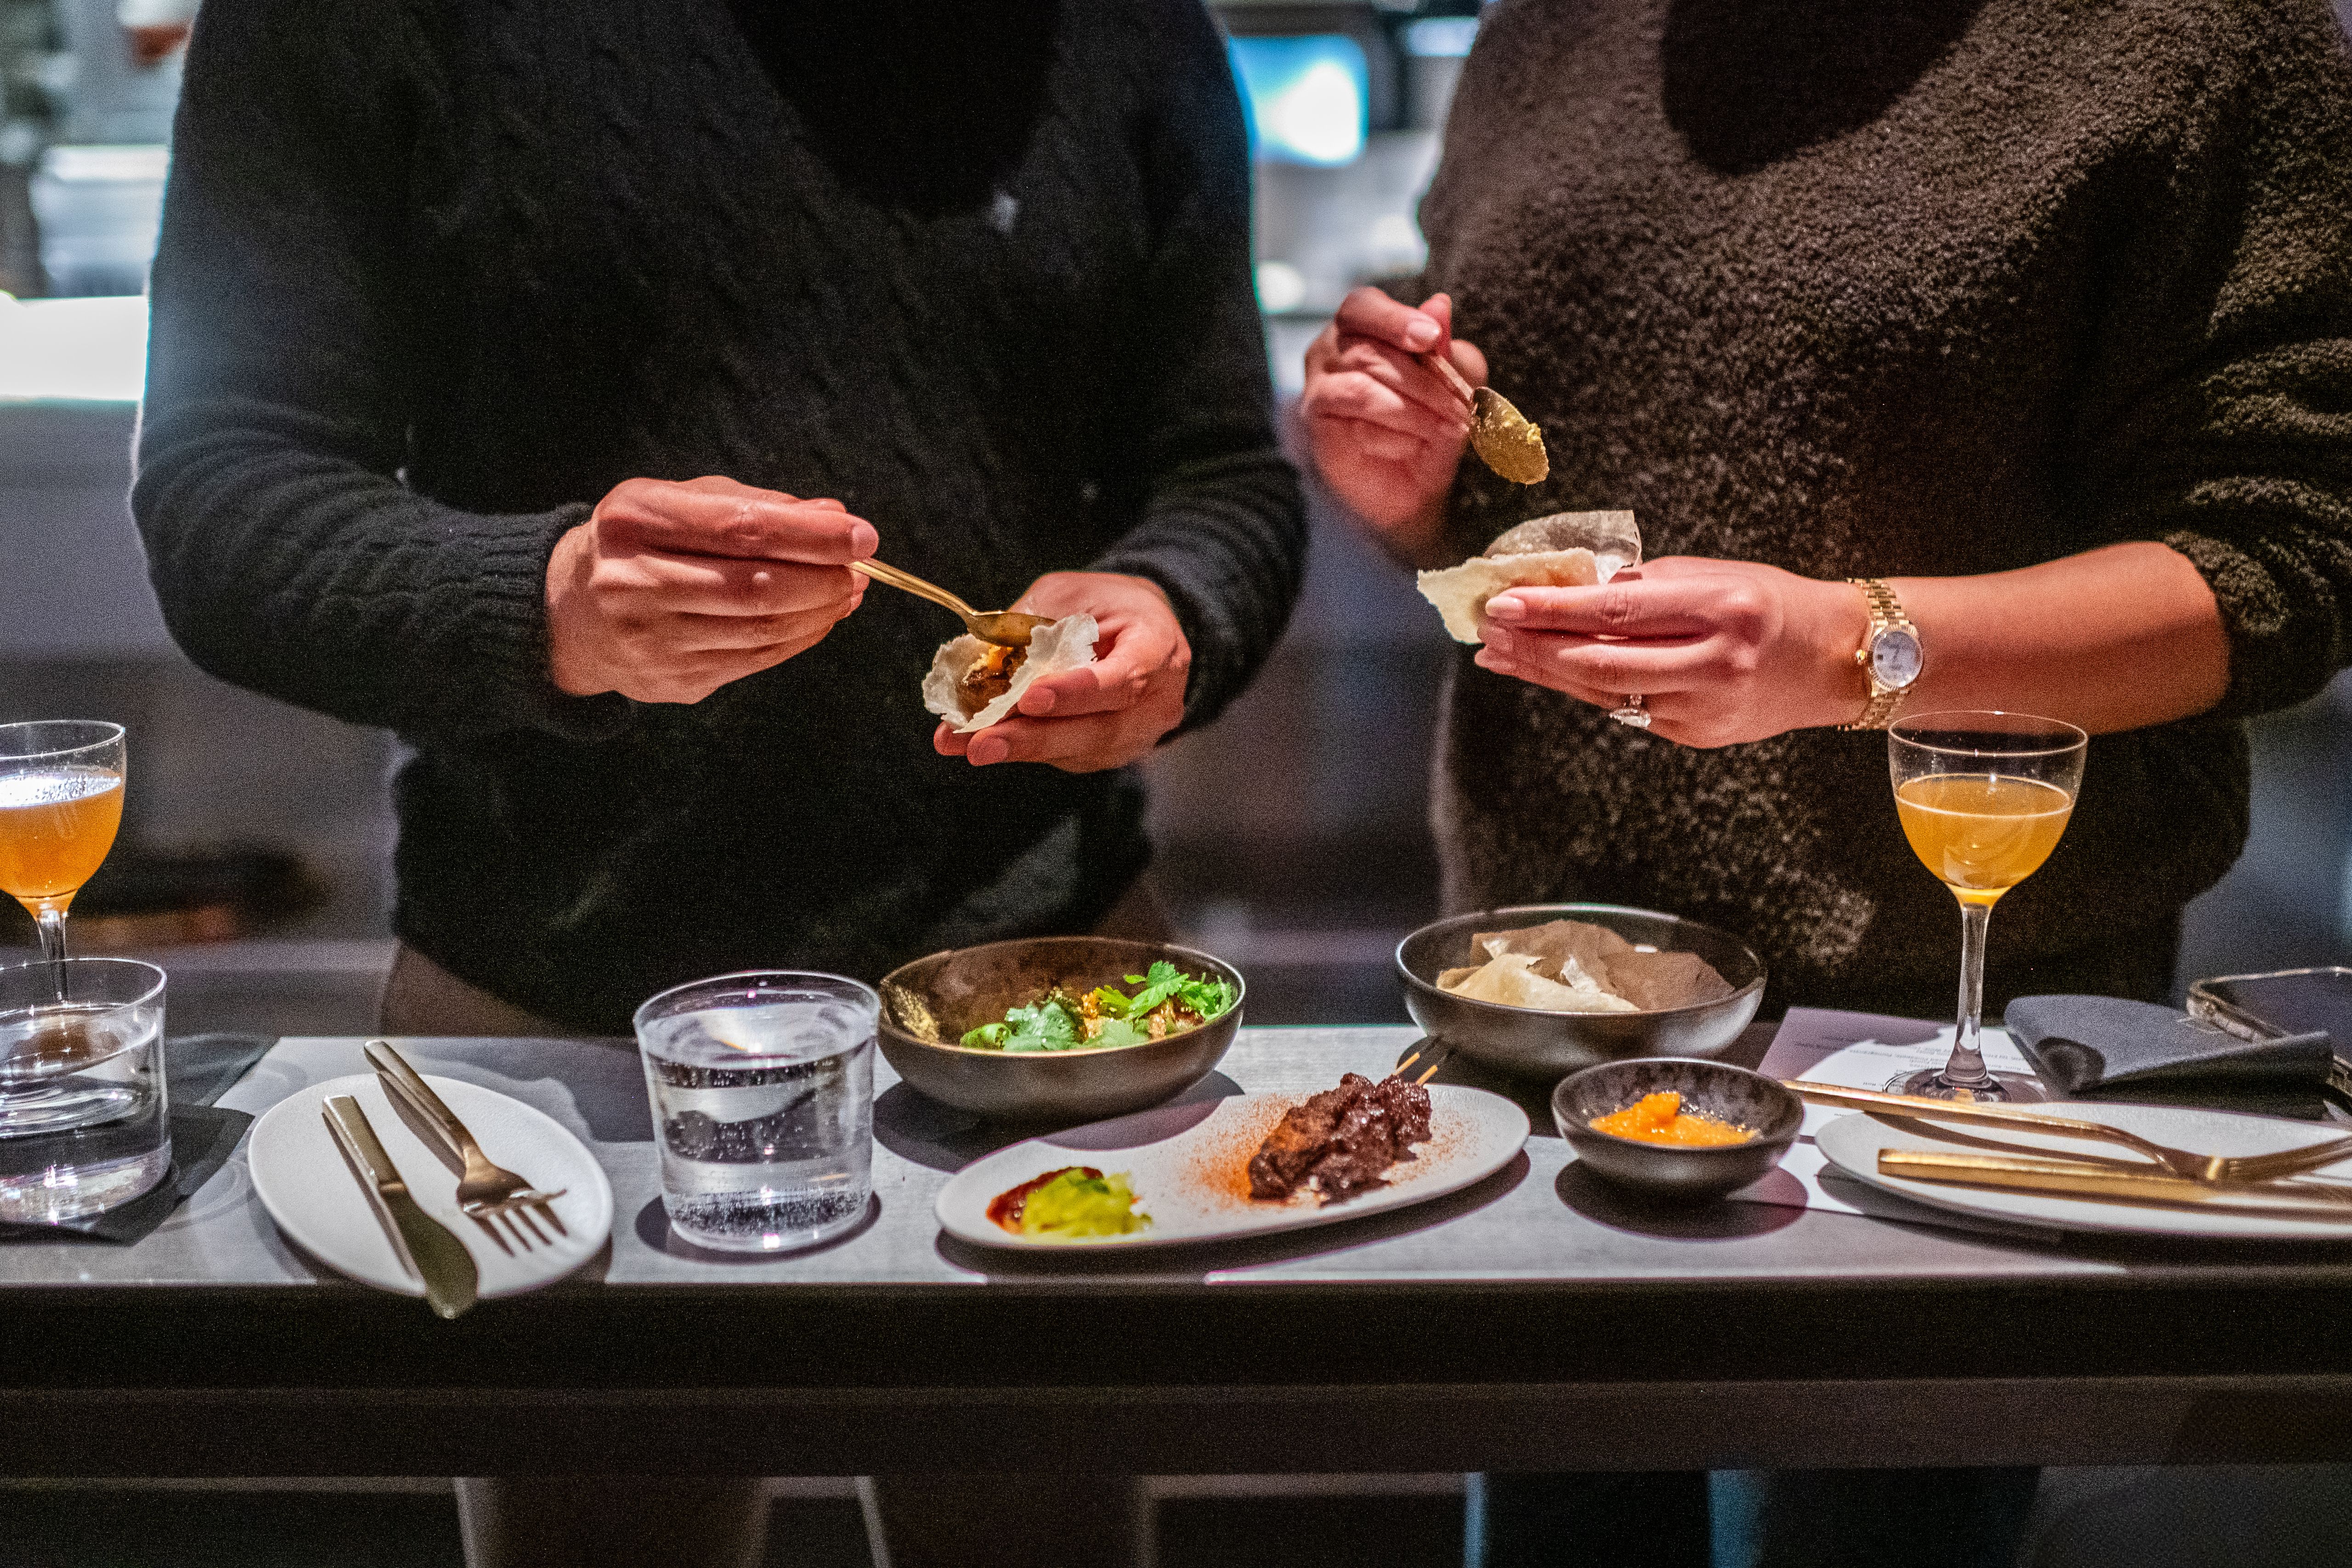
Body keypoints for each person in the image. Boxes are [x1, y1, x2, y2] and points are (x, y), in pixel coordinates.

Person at [133, 1, 1302, 1563]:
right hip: (558, 1037)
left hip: (1043, 1019)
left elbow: (1219, 467)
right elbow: (223, 500)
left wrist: (1173, 614)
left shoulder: (1120, 28)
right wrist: (549, 605)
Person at [1300, 0, 2352, 1563]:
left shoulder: (2199, 37)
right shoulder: (1550, 31)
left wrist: (1850, 648)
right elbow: (1532, 521)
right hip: (1548, 1004)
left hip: (1945, 1031)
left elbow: (2288, 562)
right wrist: (1409, 490)